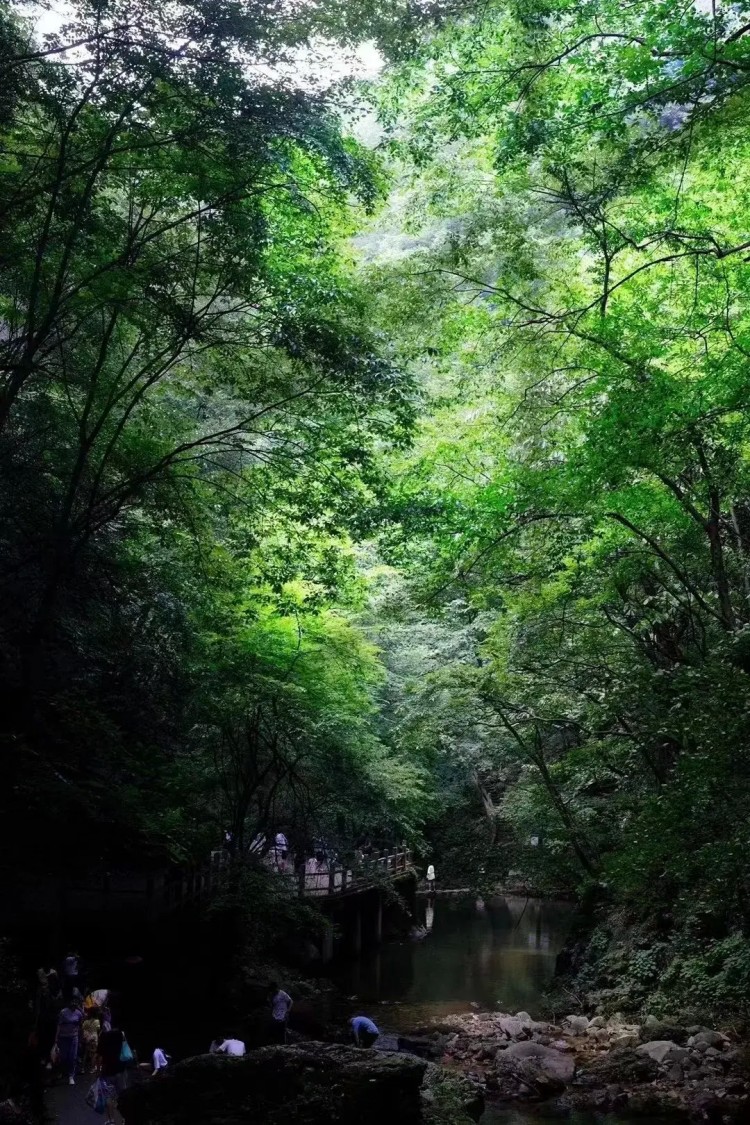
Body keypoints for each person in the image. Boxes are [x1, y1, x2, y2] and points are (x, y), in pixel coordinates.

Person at [97, 1022, 126, 1125]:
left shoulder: (103, 1037)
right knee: (122, 1095)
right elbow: (125, 1049)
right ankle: (125, 1119)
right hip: (120, 1069)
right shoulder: (120, 1034)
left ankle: (111, 1120)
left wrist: (98, 1071)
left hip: (107, 1070)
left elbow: (99, 1056)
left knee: (108, 1096)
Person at [54, 998, 83, 1085]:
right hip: (63, 1037)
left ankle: (71, 1075)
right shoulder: (63, 1012)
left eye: (76, 1003)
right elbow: (59, 1025)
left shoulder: (79, 1013)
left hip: (74, 1037)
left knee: (72, 1057)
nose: (74, 1004)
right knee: (63, 1057)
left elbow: (80, 1025)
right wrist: (56, 1037)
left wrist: (81, 1038)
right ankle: (61, 1071)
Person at [81, 1009, 101, 1074]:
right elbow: (98, 1029)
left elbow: (83, 1028)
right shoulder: (97, 1021)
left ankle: (82, 1069)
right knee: (93, 1054)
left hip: (87, 1038)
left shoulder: (86, 1021)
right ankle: (92, 1069)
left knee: (85, 1054)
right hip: (94, 1038)